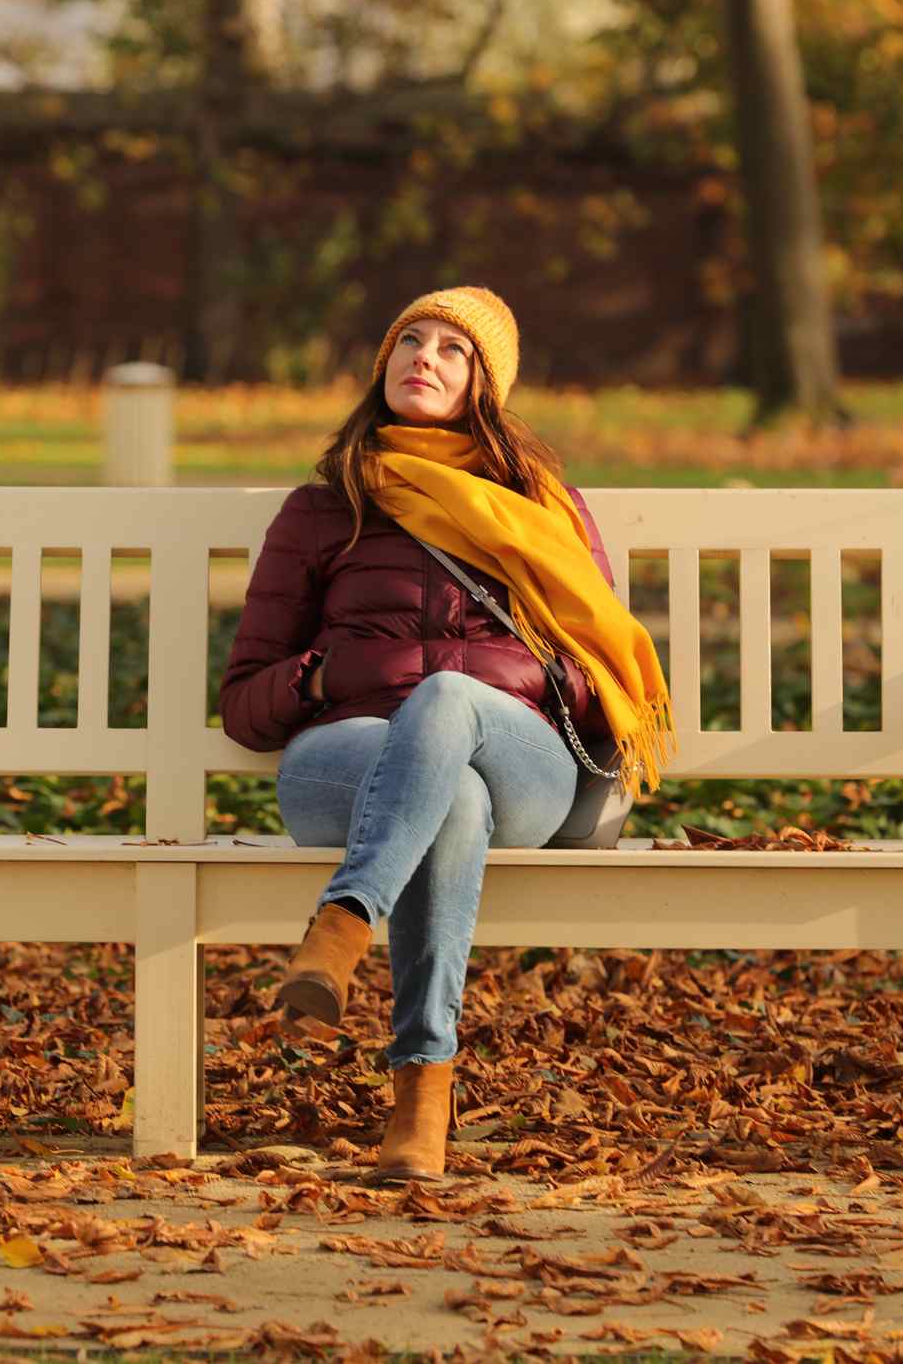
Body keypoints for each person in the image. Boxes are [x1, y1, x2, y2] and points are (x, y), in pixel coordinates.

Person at [217, 286, 673, 1183]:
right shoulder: (324, 510)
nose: (421, 358)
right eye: (408, 342)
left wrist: (472, 676)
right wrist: (326, 677)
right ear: (381, 364)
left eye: (449, 351)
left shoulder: (542, 508)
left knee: (446, 704)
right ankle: (421, 1096)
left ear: (484, 387)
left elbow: (594, 682)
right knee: (446, 792)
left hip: (521, 761)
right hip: (341, 763)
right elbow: (245, 705)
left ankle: (342, 927)